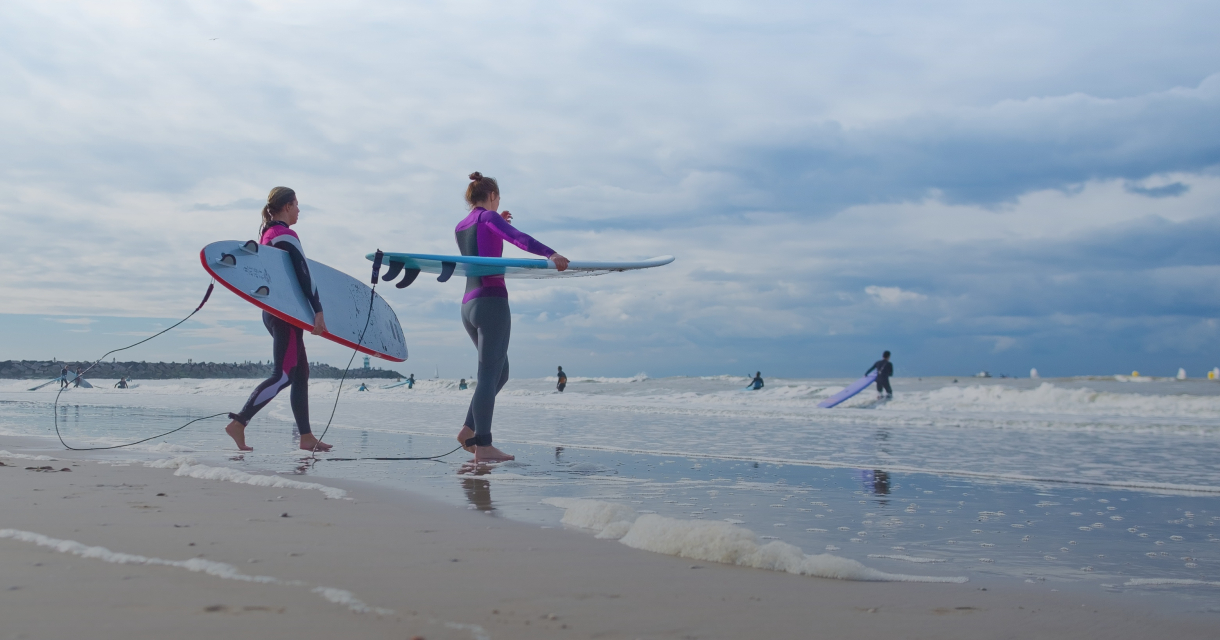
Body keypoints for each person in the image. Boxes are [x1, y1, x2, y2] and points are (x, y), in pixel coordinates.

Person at [454, 172, 568, 462]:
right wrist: (550, 254)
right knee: (488, 374)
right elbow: (518, 239)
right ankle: (484, 445)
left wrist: (497, 220)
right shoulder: (489, 219)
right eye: (498, 200)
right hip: (491, 302)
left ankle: (469, 431)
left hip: (469, 304)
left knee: (499, 372)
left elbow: (480, 243)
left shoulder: (462, 225)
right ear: (492, 196)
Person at [223, 187, 332, 452]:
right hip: (285, 315)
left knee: (300, 374)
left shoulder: (267, 236)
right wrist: (317, 309)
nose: (298, 210)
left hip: (277, 312)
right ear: (286, 206)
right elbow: (303, 272)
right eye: (296, 205)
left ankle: (306, 437)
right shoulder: (285, 235)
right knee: (283, 375)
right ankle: (239, 422)